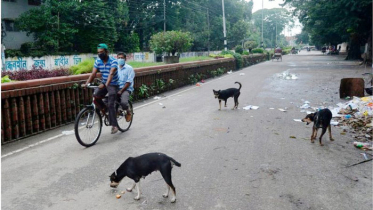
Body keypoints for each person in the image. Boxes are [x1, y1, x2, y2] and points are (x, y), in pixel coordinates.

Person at [83, 43, 120, 134]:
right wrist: (87, 83)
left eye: (101, 52)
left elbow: (111, 74)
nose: (100, 54)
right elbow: (93, 73)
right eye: (98, 52)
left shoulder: (113, 61)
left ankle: (114, 126)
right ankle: (105, 109)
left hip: (113, 84)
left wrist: (106, 85)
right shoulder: (98, 61)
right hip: (104, 82)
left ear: (106, 52)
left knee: (111, 103)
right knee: (95, 95)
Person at [116, 52, 135, 122]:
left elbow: (129, 82)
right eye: (119, 58)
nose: (120, 59)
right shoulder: (115, 68)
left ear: (125, 59)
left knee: (124, 102)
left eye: (122, 58)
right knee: (107, 99)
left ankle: (128, 111)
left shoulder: (129, 68)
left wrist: (121, 90)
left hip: (126, 88)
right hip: (117, 87)